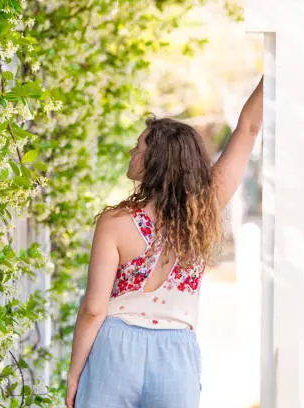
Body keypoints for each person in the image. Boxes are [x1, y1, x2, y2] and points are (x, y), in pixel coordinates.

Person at [66, 76, 264, 408]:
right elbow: (248, 128)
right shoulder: (203, 210)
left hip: (115, 347)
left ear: (155, 161)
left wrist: (75, 376)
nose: (132, 151)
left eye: (139, 146)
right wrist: (274, 66)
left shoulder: (115, 223)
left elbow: (93, 309)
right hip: (176, 352)